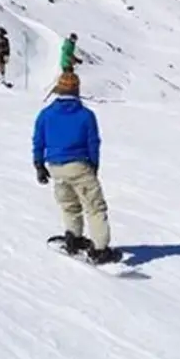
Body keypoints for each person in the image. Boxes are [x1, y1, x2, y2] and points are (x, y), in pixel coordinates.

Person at [33, 70, 121, 265]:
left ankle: (74, 238)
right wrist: (94, 165)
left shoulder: (46, 114)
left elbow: (38, 141)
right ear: (77, 90)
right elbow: (93, 143)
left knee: (69, 204)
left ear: (58, 89)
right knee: (94, 207)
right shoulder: (86, 115)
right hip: (79, 166)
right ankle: (100, 250)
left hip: (56, 167)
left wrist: (39, 164)